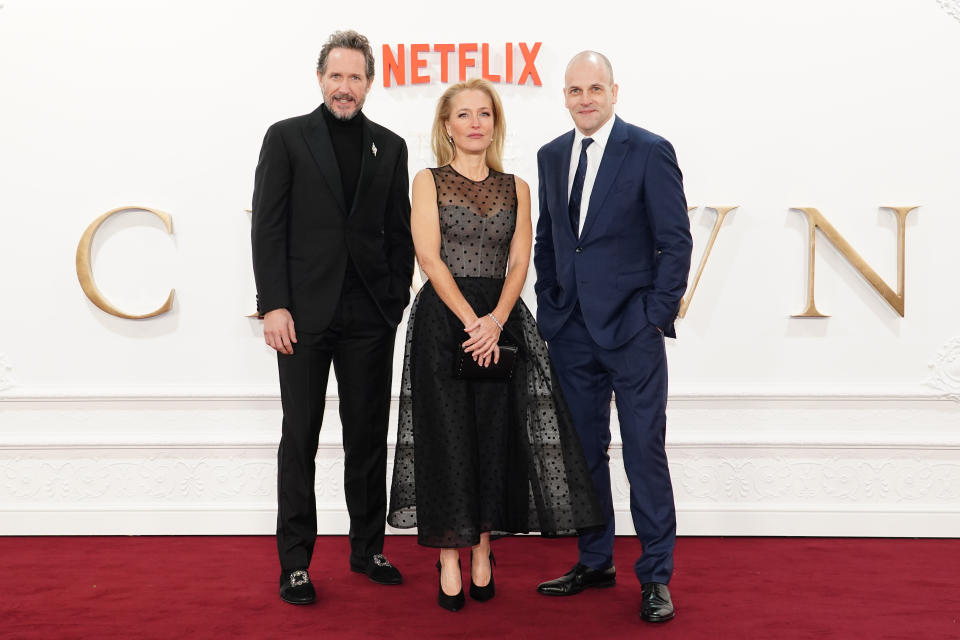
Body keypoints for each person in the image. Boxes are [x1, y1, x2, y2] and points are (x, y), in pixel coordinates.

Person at [387, 78, 604, 612]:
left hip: (502, 322)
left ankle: (483, 548)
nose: (475, 123)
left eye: (484, 113)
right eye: (464, 115)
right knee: (447, 440)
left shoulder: (517, 187)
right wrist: (471, 322)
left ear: (495, 123)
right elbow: (430, 259)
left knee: (493, 439)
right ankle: (447, 556)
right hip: (444, 322)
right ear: (447, 126)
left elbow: (520, 262)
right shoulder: (427, 180)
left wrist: (497, 320)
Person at [251, 30, 414, 605]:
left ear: (370, 83)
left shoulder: (390, 147)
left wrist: (393, 301)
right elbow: (267, 227)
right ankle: (295, 562)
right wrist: (273, 304)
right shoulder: (287, 138)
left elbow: (399, 233)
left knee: (367, 437)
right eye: (336, 76)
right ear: (320, 79)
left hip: (369, 317)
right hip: (301, 316)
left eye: (356, 77)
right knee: (300, 438)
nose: (345, 87)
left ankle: (368, 548)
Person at [533, 51, 693, 623]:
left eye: (595, 87)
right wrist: (551, 307)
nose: (585, 98)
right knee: (584, 455)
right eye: (575, 90)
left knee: (644, 453)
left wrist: (654, 313)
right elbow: (550, 240)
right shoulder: (551, 155)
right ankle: (595, 561)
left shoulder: (649, 150)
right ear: (566, 95)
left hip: (633, 331)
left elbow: (675, 241)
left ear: (614, 91)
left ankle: (655, 577)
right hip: (572, 331)